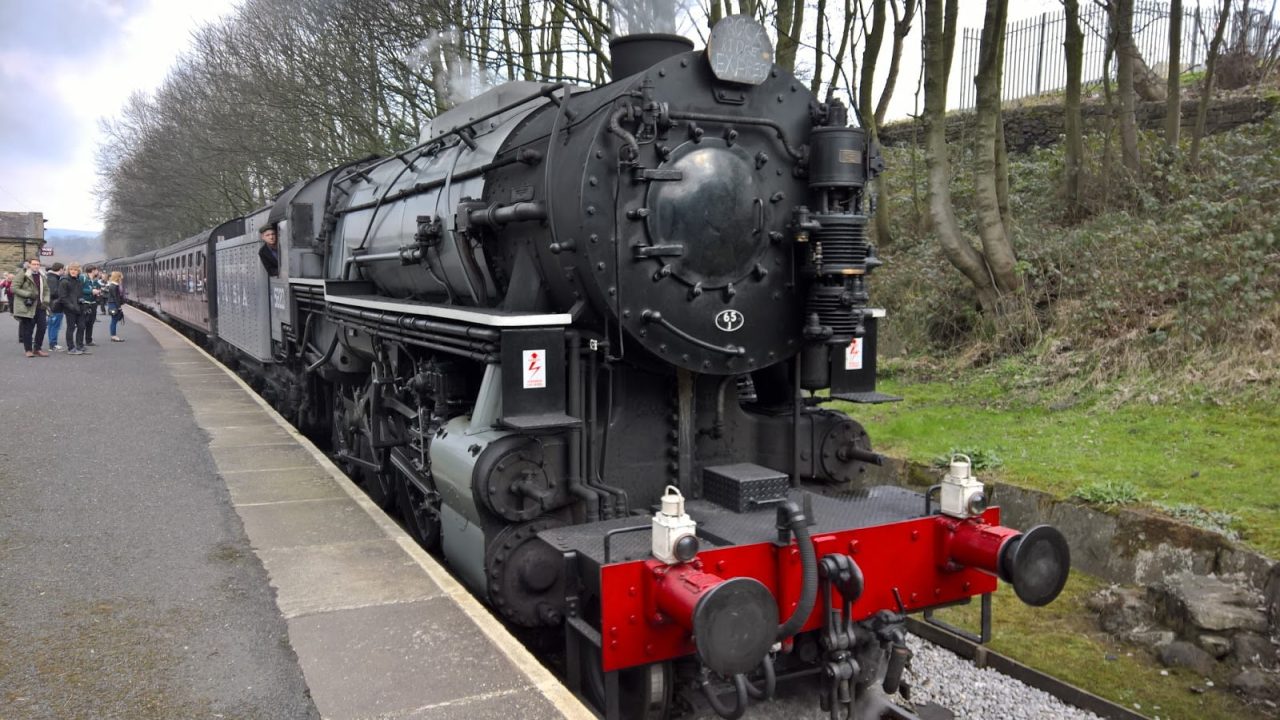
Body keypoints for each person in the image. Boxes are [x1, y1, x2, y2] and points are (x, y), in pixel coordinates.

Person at [13, 257, 51, 357]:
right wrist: (28, 294)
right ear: (29, 264)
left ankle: (37, 349)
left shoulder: (42, 275)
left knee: (42, 328)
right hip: (28, 306)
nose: (36, 266)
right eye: (34, 264)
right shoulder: (23, 274)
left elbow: (46, 290)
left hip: (41, 306)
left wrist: (46, 300)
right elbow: (14, 288)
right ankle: (28, 350)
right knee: (28, 329)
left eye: (38, 264)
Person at [57, 262, 90, 356]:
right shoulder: (64, 281)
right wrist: (71, 307)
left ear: (78, 271)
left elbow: (79, 294)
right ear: (68, 270)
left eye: (75, 270)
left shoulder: (78, 280)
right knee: (71, 328)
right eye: (71, 269)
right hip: (70, 308)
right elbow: (62, 297)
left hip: (80, 307)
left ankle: (80, 345)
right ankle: (71, 348)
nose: (73, 271)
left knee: (81, 327)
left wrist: (83, 303)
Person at [44, 262, 65, 350]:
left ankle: (53, 344)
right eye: (63, 269)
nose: (64, 271)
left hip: (53, 305)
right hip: (55, 305)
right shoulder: (53, 279)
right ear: (60, 269)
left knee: (52, 325)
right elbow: (53, 292)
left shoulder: (51, 277)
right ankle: (53, 344)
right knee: (54, 325)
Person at [82, 265, 103, 346]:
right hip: (85, 304)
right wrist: (91, 291)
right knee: (83, 323)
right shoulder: (83, 278)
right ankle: (80, 341)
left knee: (91, 322)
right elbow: (80, 289)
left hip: (93, 304)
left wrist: (98, 292)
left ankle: (89, 340)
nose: (98, 272)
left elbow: (98, 288)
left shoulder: (95, 281)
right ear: (93, 270)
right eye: (97, 270)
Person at [105, 271, 126, 342]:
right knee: (114, 320)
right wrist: (119, 307)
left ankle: (113, 335)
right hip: (113, 304)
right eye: (120, 277)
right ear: (118, 278)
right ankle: (113, 336)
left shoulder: (113, 285)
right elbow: (115, 297)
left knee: (114, 319)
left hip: (113, 303)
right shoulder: (114, 286)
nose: (121, 279)